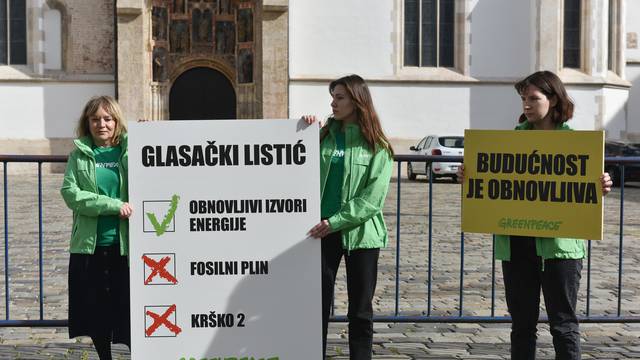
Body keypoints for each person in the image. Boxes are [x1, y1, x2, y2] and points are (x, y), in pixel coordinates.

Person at [457, 71, 613, 360]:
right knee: (522, 326)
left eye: (533, 98)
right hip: (517, 246)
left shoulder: (577, 144)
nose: (526, 105)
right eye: (523, 99)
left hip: (559, 249)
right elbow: (491, 183)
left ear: (553, 100)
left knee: (563, 325)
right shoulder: (509, 143)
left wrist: (601, 184)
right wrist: (468, 175)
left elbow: (585, 186)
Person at [304, 74, 394, 360]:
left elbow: (372, 199)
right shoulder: (320, 136)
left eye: (339, 97)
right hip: (320, 233)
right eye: (333, 97)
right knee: (315, 307)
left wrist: (335, 222)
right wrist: (300, 130)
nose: (333, 103)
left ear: (357, 101)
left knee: (360, 311)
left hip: (361, 235)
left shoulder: (377, 145)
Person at [61, 96, 132, 360]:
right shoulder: (78, 155)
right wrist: (113, 205)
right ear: (87, 122)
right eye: (95, 119)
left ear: (116, 122)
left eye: (107, 118)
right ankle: (105, 357)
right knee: (96, 309)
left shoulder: (130, 150)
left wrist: (149, 135)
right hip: (90, 245)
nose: (101, 124)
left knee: (128, 307)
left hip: (126, 245)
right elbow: (71, 194)